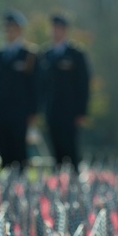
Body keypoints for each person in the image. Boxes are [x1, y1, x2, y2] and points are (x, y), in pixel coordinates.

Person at [0, 10, 37, 167]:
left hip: (20, 113)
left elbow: (35, 86)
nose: (10, 31)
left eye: (14, 27)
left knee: (20, 153)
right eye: (7, 28)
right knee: (4, 152)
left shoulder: (29, 55)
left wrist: (33, 111)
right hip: (1, 112)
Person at [40, 14, 90, 169]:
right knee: (56, 153)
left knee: (71, 151)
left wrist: (81, 112)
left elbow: (83, 84)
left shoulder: (76, 54)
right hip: (52, 112)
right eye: (53, 28)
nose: (56, 32)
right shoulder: (46, 54)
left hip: (70, 112)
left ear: (66, 30)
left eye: (59, 29)